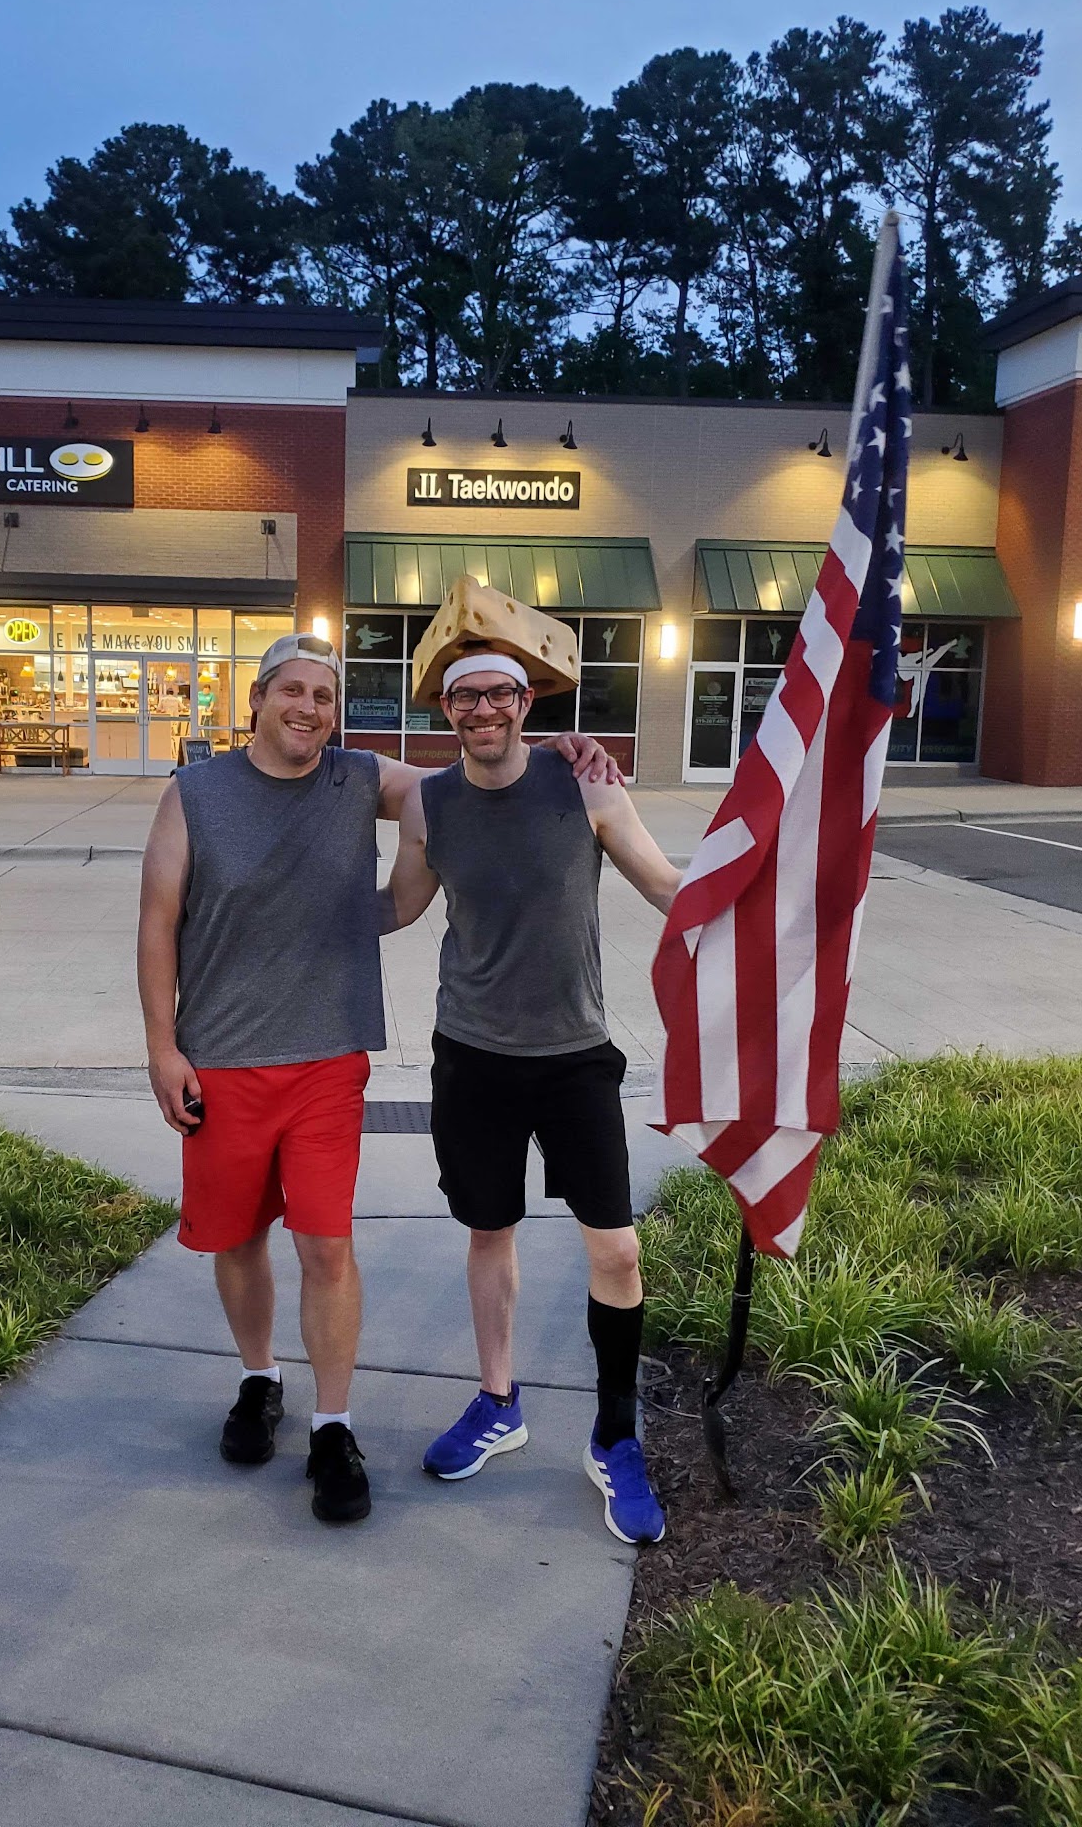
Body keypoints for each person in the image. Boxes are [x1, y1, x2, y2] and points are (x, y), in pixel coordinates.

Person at [137, 631, 619, 1526]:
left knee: (327, 1246)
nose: (308, 708)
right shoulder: (195, 793)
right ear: (258, 698)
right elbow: (158, 924)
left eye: (324, 696)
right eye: (292, 690)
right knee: (238, 1239)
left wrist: (556, 749)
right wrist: (164, 1049)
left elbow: (470, 774)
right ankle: (258, 1380)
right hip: (222, 1057)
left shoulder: (359, 778)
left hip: (328, 1055)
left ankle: (333, 1426)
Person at [381, 647, 682, 1543]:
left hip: (574, 1057)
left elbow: (667, 885)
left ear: (525, 702)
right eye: (465, 698)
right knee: (489, 1231)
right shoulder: (429, 804)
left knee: (617, 1250)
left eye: (500, 695)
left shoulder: (585, 785)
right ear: (445, 710)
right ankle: (498, 1403)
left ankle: (615, 1438)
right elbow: (397, 907)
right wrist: (283, 913)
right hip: (471, 1056)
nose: (483, 711)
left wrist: (767, 911)